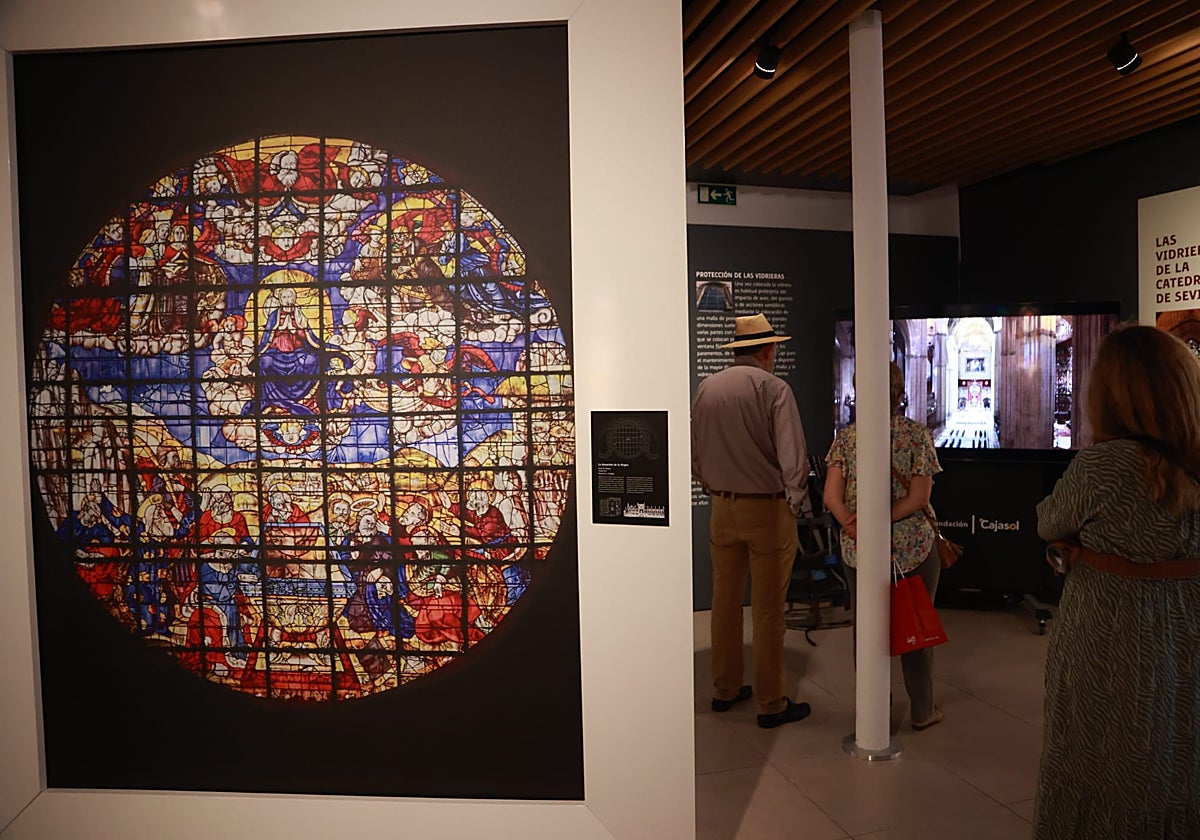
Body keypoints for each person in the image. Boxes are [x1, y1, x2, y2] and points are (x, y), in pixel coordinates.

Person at [1033, 324, 1200, 838]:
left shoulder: (1104, 464)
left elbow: (1048, 520)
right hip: (1186, 625)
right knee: (1177, 748)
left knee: (1096, 752)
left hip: (1107, 631)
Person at [690, 313, 812, 729]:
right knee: (768, 610)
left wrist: (716, 488)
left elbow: (696, 455)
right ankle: (771, 701)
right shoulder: (774, 388)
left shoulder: (707, 388)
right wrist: (794, 500)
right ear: (766, 350)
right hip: (767, 509)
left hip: (721, 508)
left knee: (724, 603)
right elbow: (793, 457)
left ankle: (724, 689)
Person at [824, 361, 944, 732]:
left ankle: (875, 714)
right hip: (913, 548)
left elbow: (831, 495)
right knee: (914, 624)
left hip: (861, 548)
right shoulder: (915, 435)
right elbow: (920, 496)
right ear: (898, 391)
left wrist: (855, 524)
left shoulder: (847, 438)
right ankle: (922, 710)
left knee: (868, 629)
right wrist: (885, 520)